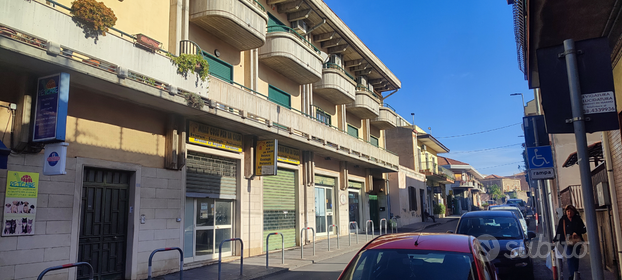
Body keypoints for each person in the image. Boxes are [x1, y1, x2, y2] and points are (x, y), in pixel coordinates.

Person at [553, 205, 586, 280]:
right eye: (568, 211)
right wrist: (555, 239)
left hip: (576, 242)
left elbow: (584, 229)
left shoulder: (577, 219)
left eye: (571, 211)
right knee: (569, 257)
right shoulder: (563, 220)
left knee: (575, 258)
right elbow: (559, 230)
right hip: (567, 242)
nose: (569, 213)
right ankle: (572, 275)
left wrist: (576, 232)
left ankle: (575, 273)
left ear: (574, 212)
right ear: (566, 212)